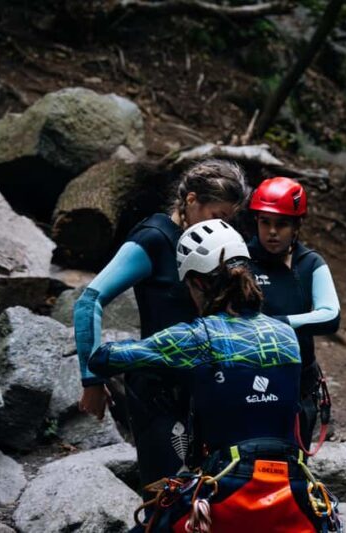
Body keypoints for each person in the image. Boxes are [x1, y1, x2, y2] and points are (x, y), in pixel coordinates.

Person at [88, 220, 338, 532]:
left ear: (199, 284)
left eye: (189, 287)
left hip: (228, 485)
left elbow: (103, 359)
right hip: (293, 487)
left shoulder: (197, 335)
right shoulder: (284, 333)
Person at [74, 159, 250, 488]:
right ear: (192, 200)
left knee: (214, 493)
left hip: (205, 387)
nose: (225, 226)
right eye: (218, 216)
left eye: (230, 218)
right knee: (166, 494)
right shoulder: (154, 238)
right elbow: (89, 301)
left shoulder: (216, 243)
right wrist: (92, 380)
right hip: (157, 390)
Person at [247, 177, 341, 451]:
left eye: (282, 224)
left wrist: (280, 323)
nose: (272, 232)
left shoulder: (310, 263)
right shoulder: (240, 259)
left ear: (297, 226)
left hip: (299, 383)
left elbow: (330, 315)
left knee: (294, 465)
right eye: (265, 222)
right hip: (249, 380)